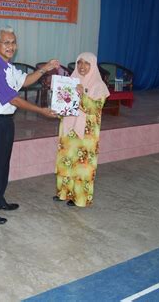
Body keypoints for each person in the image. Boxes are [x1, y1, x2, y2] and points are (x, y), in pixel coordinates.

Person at [0, 26, 59, 224]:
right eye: (6, 42)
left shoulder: (8, 67)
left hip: (5, 122)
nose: (10, 46)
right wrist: (41, 111)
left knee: (3, 163)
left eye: (13, 42)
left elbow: (24, 81)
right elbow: (12, 99)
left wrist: (44, 69)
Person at [53, 52, 110, 207]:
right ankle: (64, 193)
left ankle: (79, 198)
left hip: (86, 132)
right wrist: (58, 104)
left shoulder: (99, 86)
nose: (82, 66)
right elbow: (64, 103)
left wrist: (81, 94)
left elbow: (94, 108)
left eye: (86, 63)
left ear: (93, 66)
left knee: (82, 166)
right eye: (79, 62)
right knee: (66, 162)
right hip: (69, 129)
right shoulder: (71, 80)